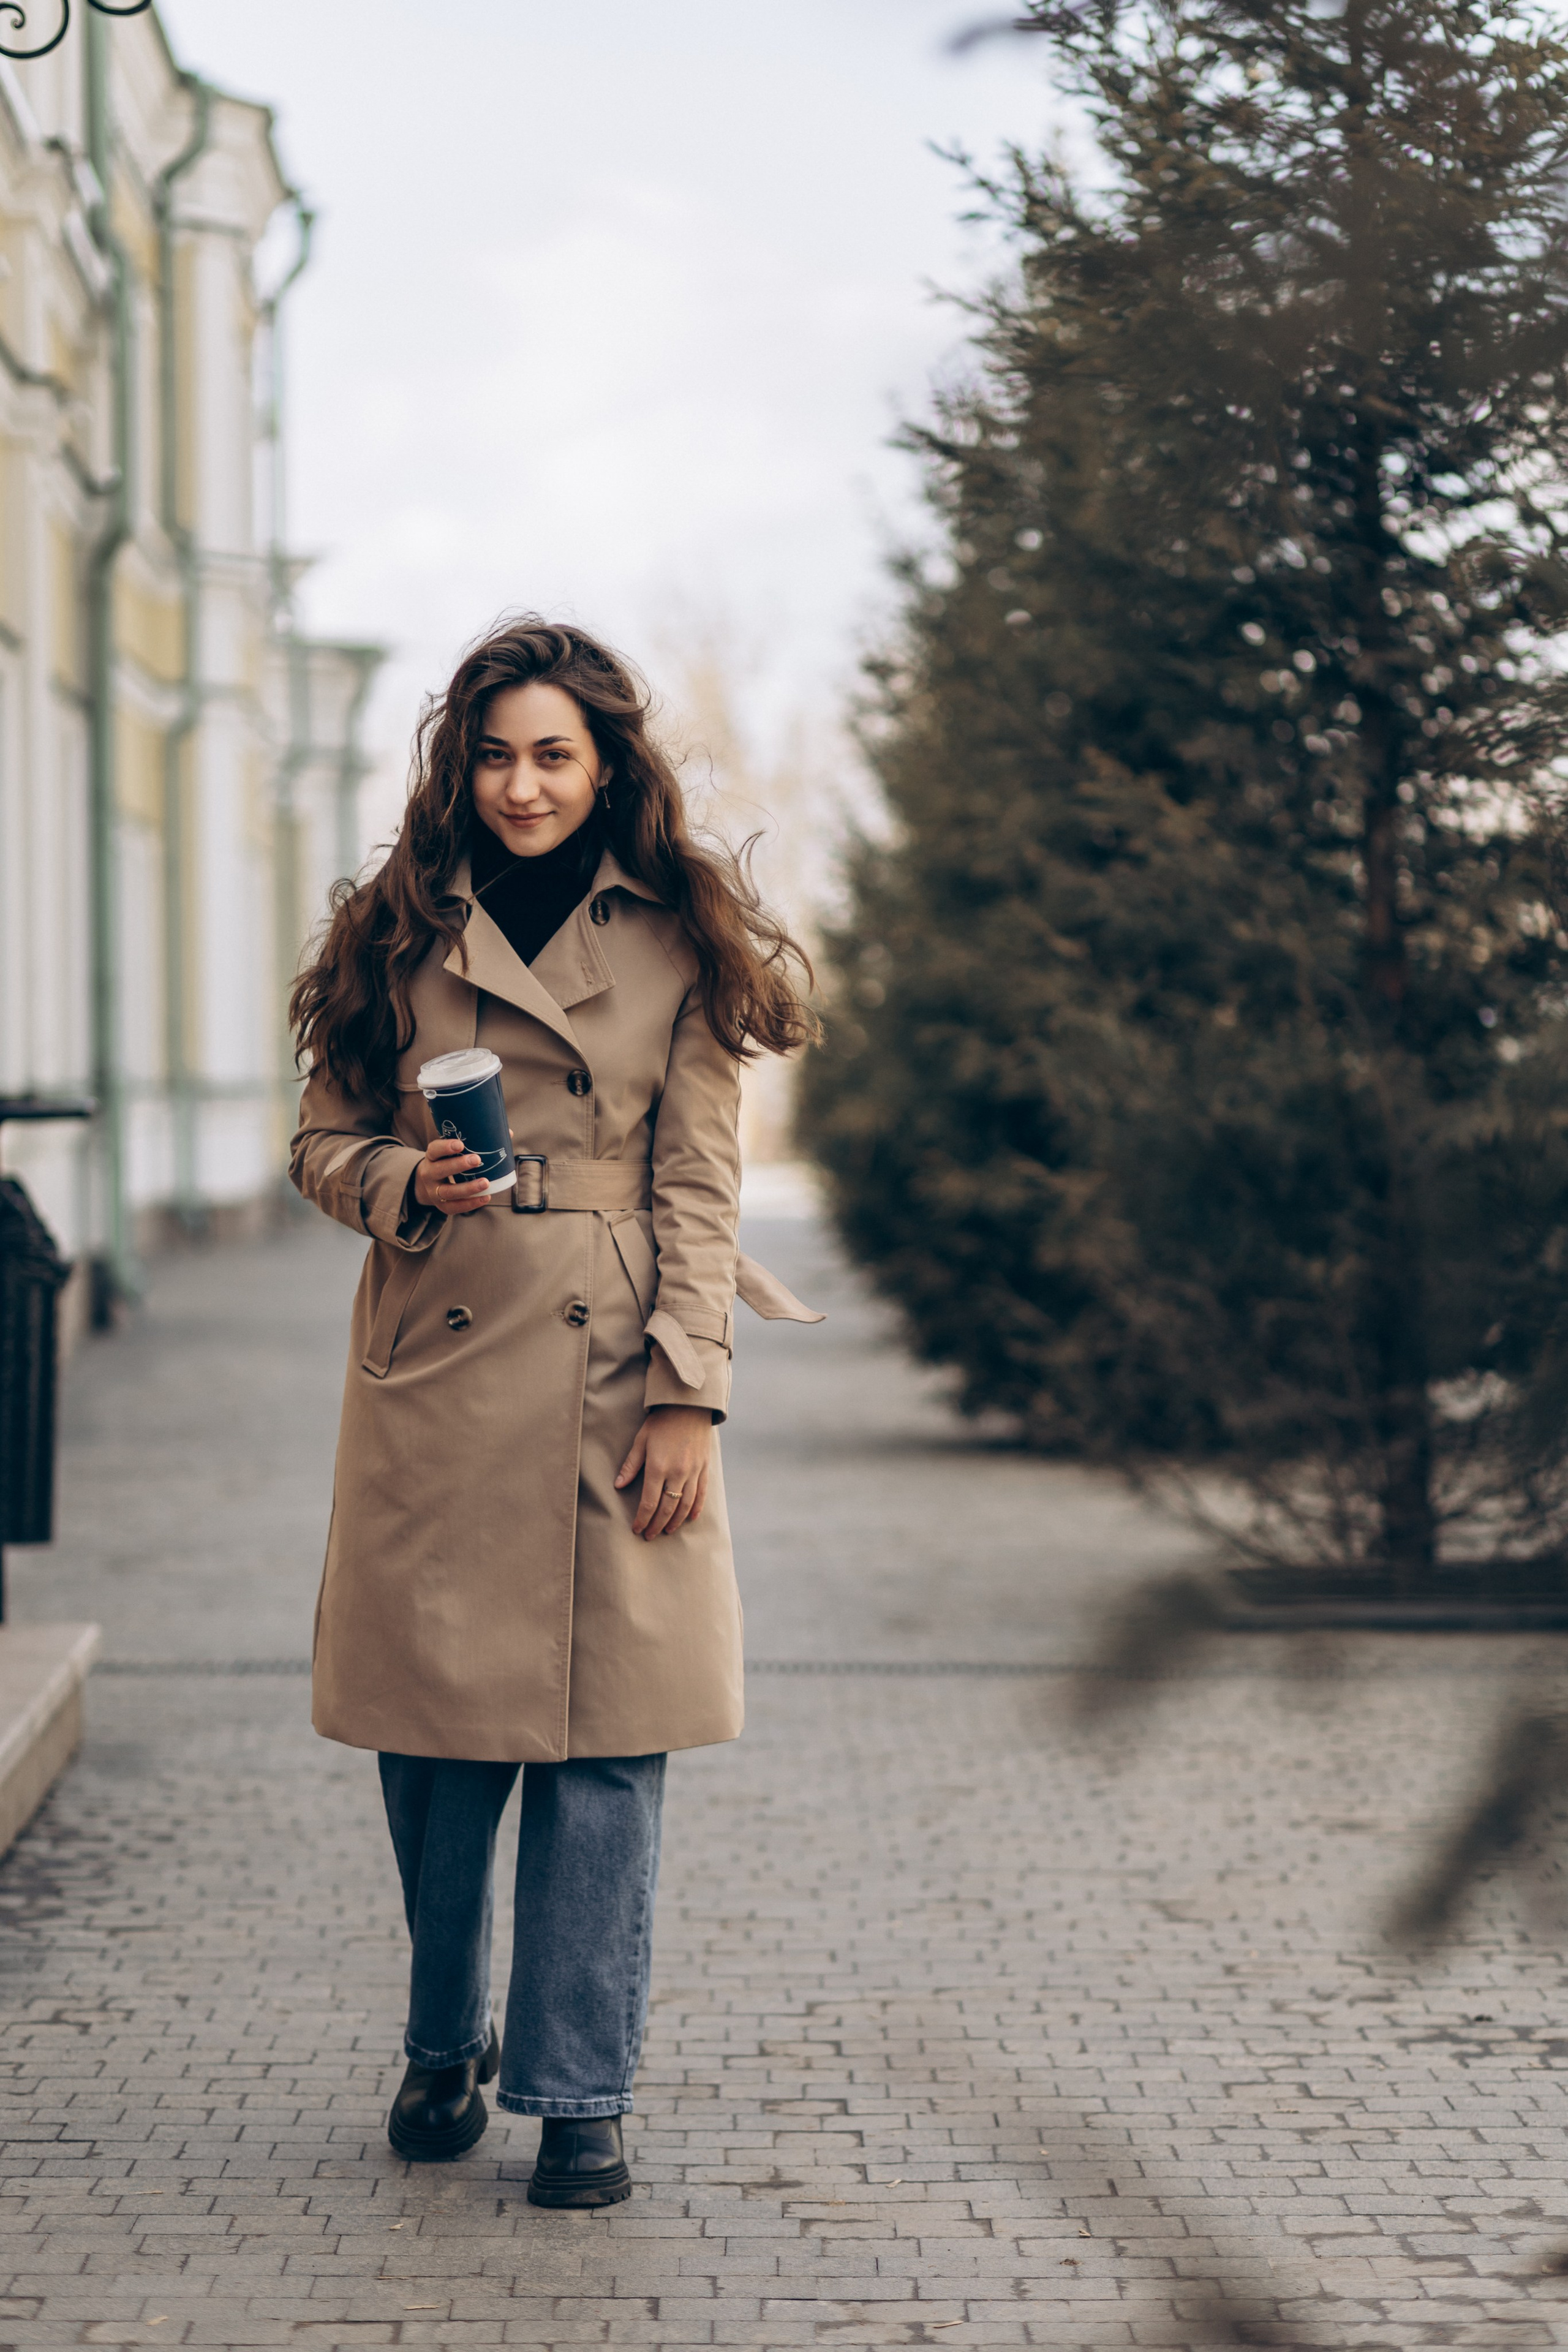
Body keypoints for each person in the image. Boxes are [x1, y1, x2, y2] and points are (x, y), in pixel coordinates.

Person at [288, 617, 821, 2204]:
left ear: (607, 769)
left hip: (617, 1373)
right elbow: (319, 1140)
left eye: (555, 755)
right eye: (498, 753)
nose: (524, 785)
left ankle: (582, 2097)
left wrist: (689, 1402)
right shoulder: (392, 929)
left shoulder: (683, 937)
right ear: (462, 763)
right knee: (438, 1745)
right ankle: (442, 2042)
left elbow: (704, 1190)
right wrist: (400, 1179)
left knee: (607, 1752)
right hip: (440, 1361)